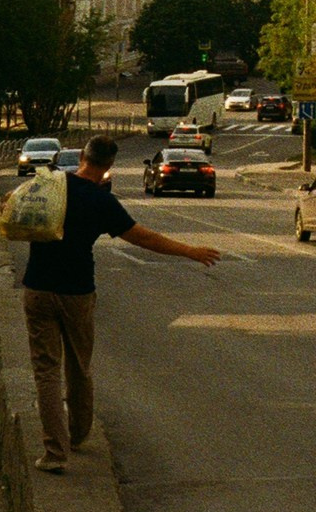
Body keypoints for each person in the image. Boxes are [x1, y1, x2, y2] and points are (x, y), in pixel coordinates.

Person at [21, 133, 219, 474]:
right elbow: (142, 237)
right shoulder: (102, 202)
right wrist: (190, 251)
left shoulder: (53, 184)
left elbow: (16, 204)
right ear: (109, 165)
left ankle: (54, 452)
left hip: (38, 287)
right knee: (79, 367)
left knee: (46, 371)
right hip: (78, 291)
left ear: (82, 156)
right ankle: (79, 434)